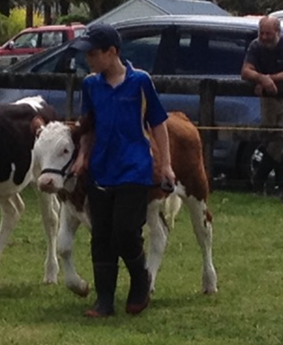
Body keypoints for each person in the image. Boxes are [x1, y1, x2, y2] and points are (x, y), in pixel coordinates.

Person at [68, 24, 176, 317]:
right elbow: (89, 126)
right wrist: (82, 156)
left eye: (92, 53)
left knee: (126, 231)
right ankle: (104, 300)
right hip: (101, 168)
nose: (87, 59)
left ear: (112, 52)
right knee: (101, 234)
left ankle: (140, 280)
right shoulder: (90, 85)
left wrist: (165, 164)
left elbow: (158, 122)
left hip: (134, 167)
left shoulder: (140, 82)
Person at [241, 15, 283, 195]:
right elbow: (245, 71)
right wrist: (261, 79)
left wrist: (270, 79)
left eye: (268, 34)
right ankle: (279, 182)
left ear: (278, 32)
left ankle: (261, 178)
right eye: (261, 33)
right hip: (269, 98)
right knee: (270, 137)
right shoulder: (255, 46)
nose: (264, 37)